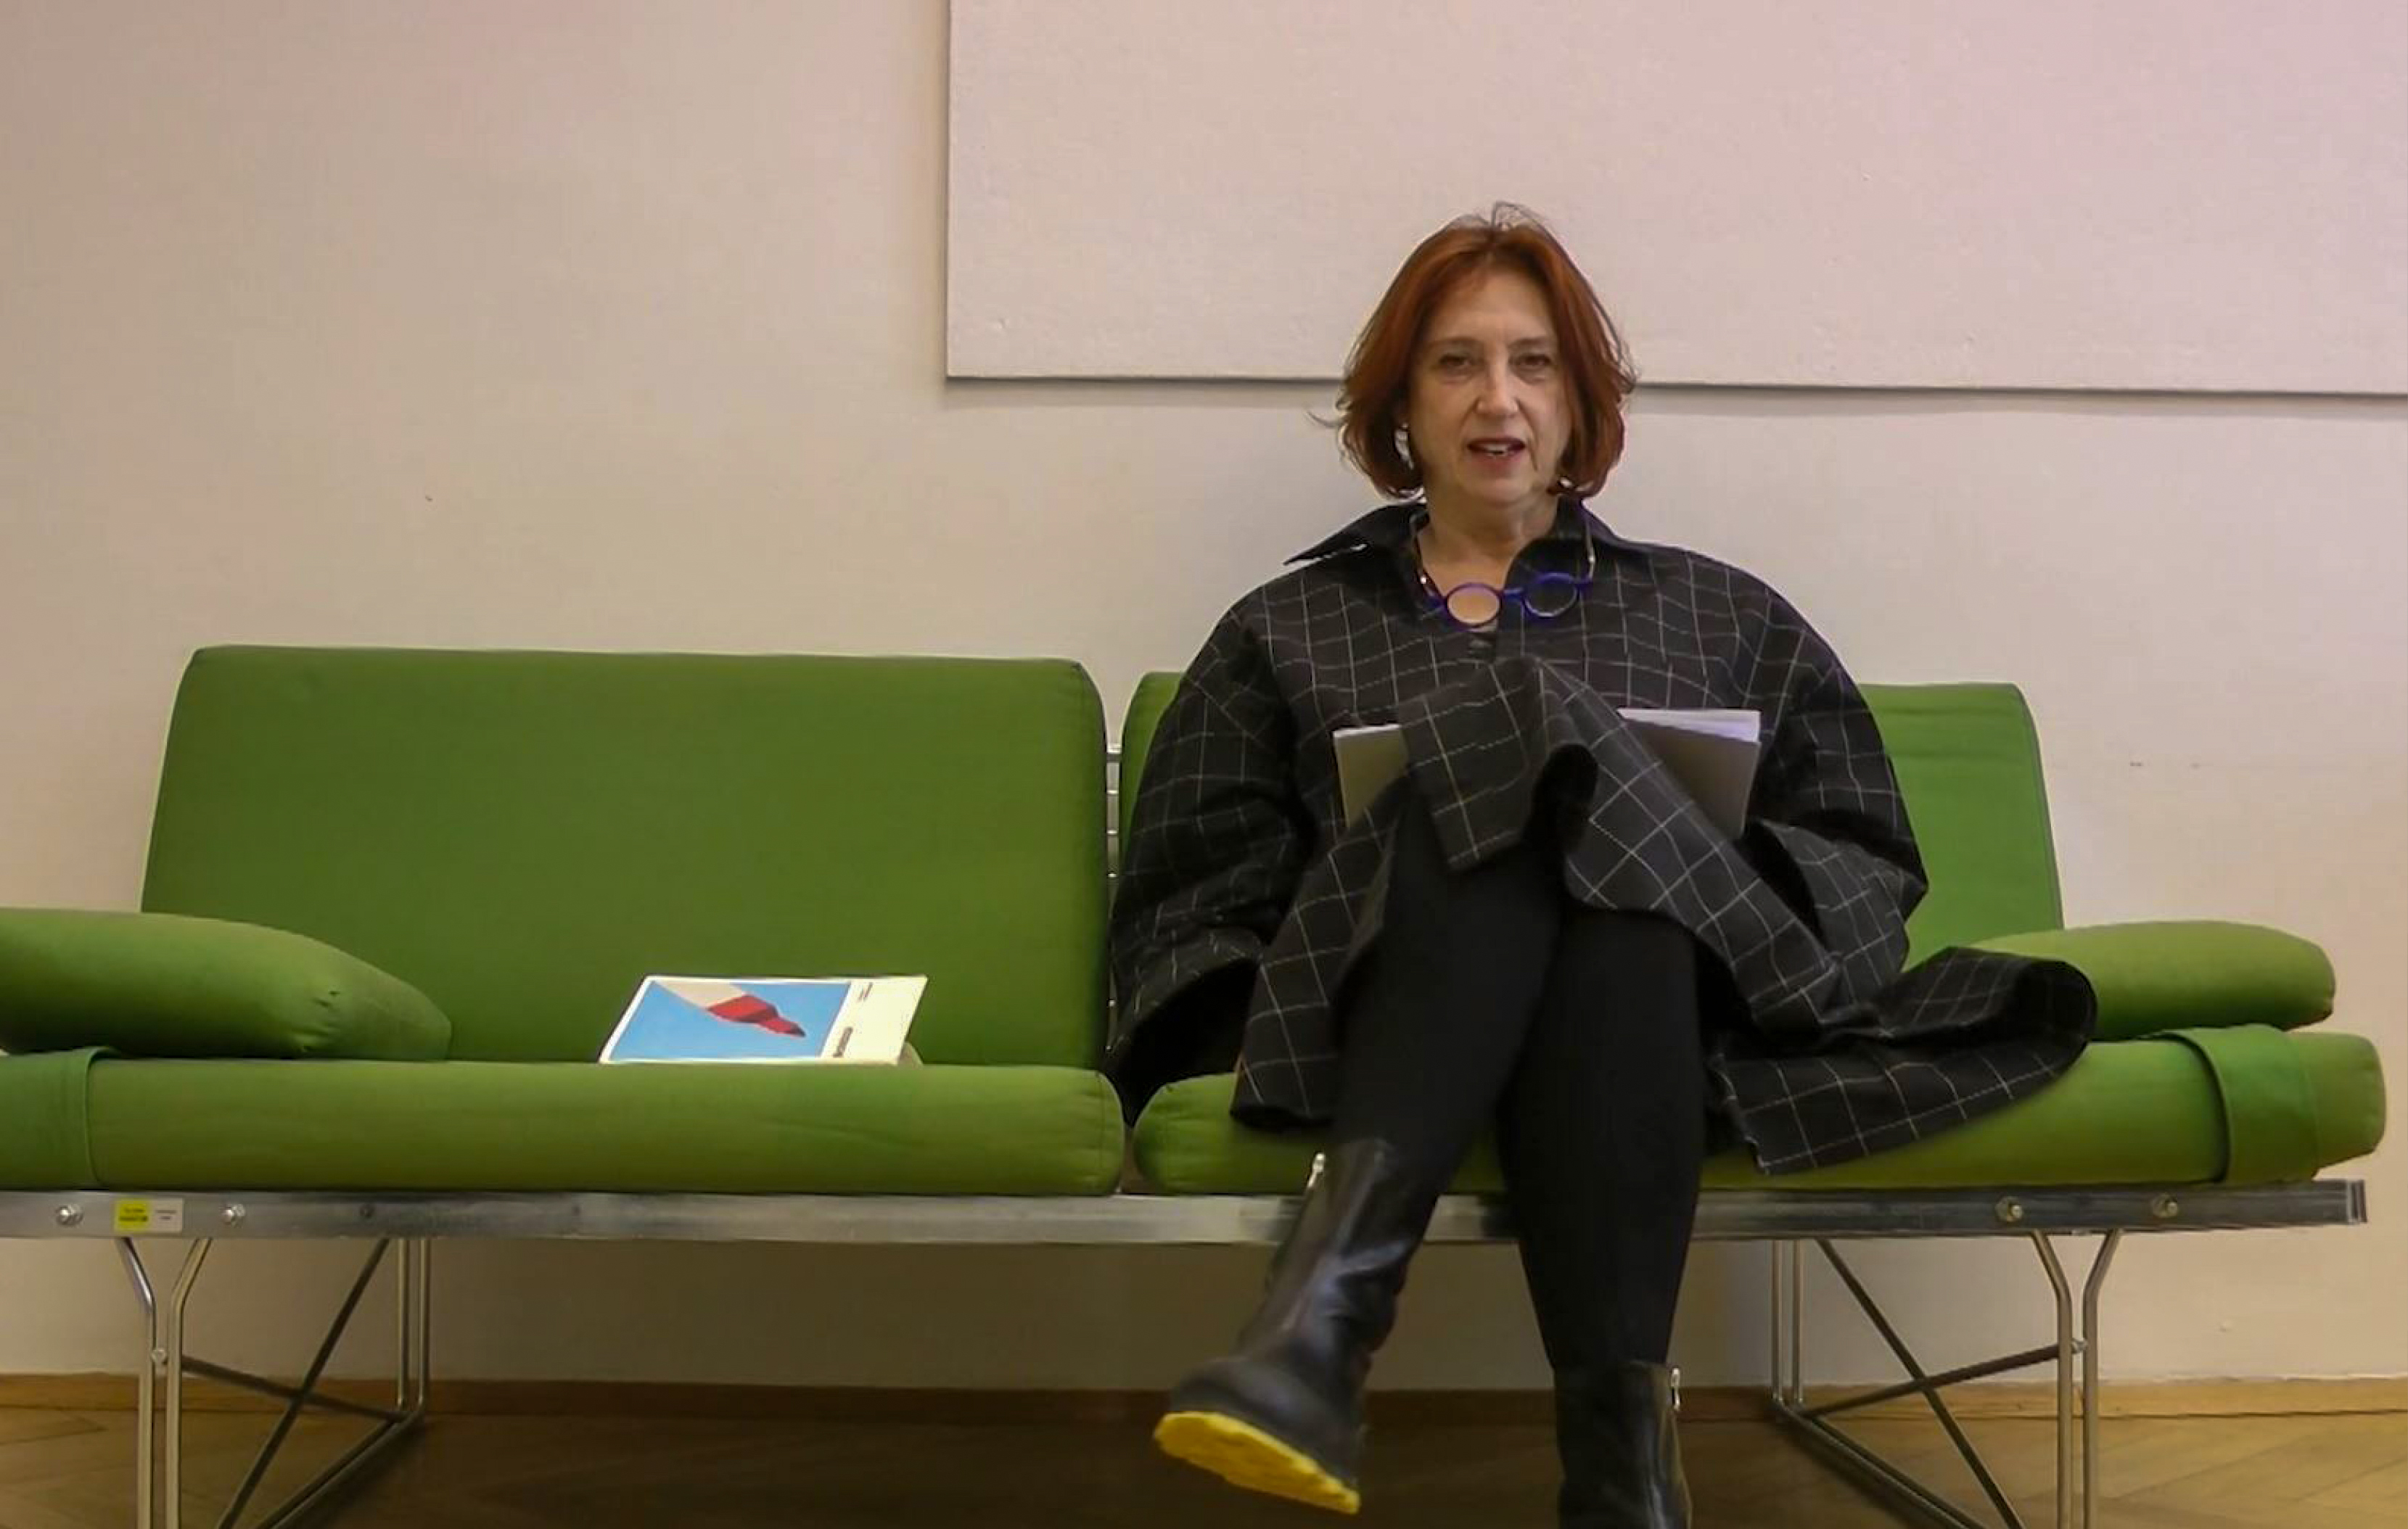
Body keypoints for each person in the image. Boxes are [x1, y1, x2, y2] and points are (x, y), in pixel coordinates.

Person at [1104, 205, 2096, 1528]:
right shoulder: (1285, 629)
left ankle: (1319, 1332)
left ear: (1580, 400)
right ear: (1402, 403)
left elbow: (1857, 850)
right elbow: (1193, 891)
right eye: (1456, 363)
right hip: (1381, 1020)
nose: (1498, 399)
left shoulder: (1719, 614)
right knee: (1535, 798)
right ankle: (1625, 1478)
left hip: (1685, 1017)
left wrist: (1664, 845)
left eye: (1535, 363)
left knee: (1572, 803)